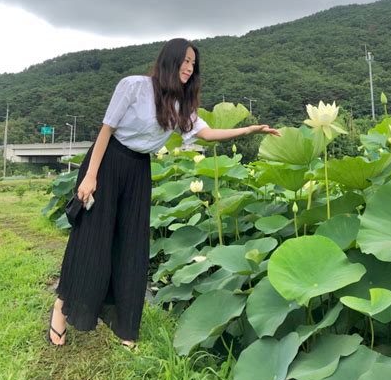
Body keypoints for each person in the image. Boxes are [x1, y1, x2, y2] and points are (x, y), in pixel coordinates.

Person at [47, 38, 280, 347]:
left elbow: (207, 134)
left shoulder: (182, 105)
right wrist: (90, 176)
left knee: (132, 245)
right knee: (93, 240)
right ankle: (62, 309)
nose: (189, 68)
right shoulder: (133, 86)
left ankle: (126, 330)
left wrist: (249, 130)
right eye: (185, 61)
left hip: (138, 170)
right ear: (169, 60)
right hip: (107, 161)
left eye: (193, 64)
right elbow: (107, 131)